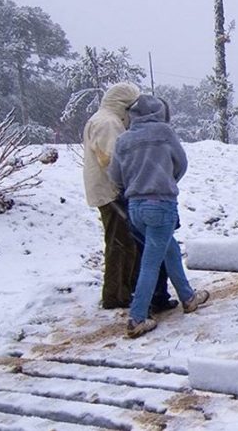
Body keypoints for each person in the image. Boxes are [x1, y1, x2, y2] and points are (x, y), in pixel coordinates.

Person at [109, 94, 210, 338]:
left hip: (135, 207)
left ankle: (188, 298)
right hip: (160, 205)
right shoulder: (164, 133)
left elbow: (114, 175)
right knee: (151, 262)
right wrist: (165, 180)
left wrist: (136, 184)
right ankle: (137, 318)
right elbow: (181, 163)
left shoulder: (124, 140)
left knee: (169, 249)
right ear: (158, 112)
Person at [82, 83, 175, 312]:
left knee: (127, 242)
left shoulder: (105, 119)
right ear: (124, 105)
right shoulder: (109, 123)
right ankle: (116, 295)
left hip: (109, 189)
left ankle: (128, 290)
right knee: (119, 244)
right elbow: (114, 160)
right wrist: (134, 183)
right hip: (111, 192)